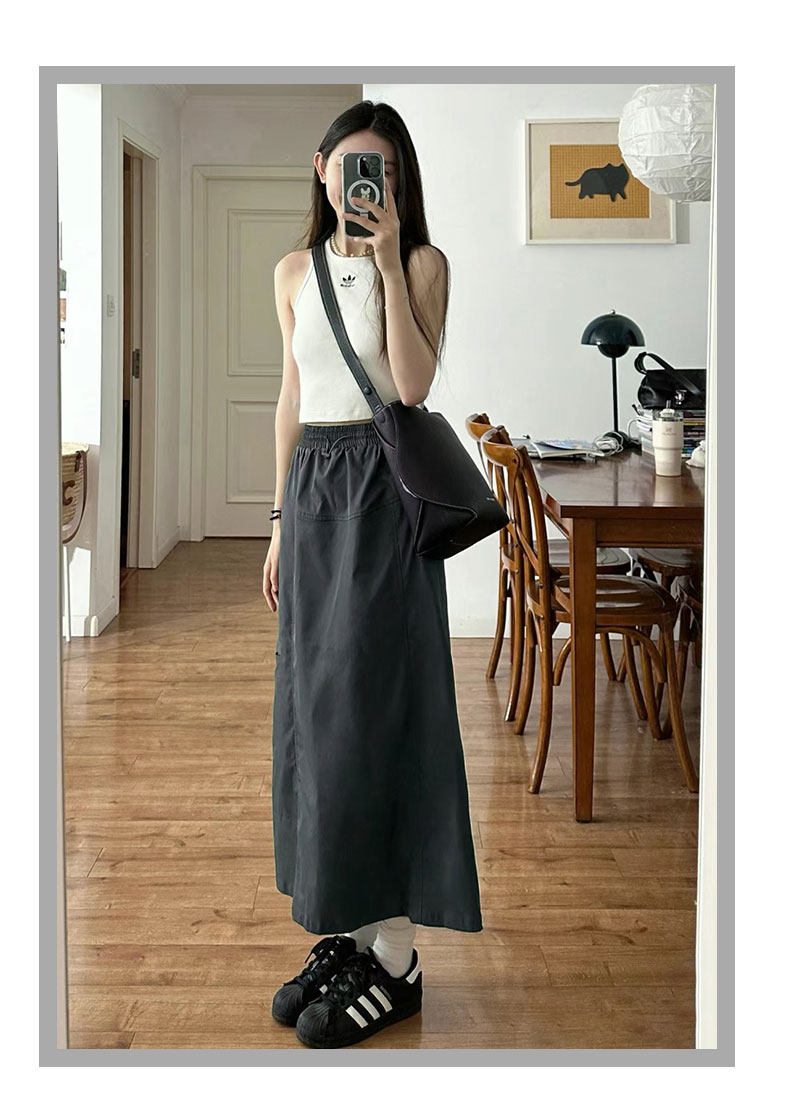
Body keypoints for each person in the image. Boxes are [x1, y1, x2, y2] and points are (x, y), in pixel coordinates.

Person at [261, 100, 482, 1050]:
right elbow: (292, 395)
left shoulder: (423, 264)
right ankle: (350, 932)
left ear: (399, 180)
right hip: (313, 494)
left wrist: (389, 263)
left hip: (382, 497)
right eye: (353, 166)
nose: (366, 183)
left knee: (381, 712)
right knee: (319, 717)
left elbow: (413, 386)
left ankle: (396, 958)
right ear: (321, 169)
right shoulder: (291, 272)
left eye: (382, 169)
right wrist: (278, 523)